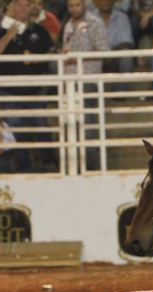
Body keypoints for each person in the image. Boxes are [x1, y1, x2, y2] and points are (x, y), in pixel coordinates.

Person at [0, 0, 56, 171]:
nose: (22, 9)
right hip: (10, 91)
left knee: (41, 127)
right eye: (18, 5)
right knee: (16, 129)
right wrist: (9, 35)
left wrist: (35, 57)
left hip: (35, 89)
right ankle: (22, 166)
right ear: (12, 8)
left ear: (32, 8)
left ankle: (49, 164)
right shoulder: (3, 31)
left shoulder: (39, 31)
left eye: (26, 6)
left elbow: (52, 53)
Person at [62, 0, 109, 170]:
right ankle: (75, 167)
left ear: (84, 5)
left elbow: (104, 50)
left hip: (88, 80)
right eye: (71, 5)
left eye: (77, 5)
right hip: (69, 82)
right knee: (71, 125)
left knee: (88, 126)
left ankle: (92, 167)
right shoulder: (68, 25)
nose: (74, 8)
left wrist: (78, 55)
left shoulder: (94, 23)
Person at [92, 0, 135, 77]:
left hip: (115, 56)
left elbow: (126, 43)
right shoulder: (89, 18)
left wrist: (109, 55)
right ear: (96, 2)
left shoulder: (122, 17)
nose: (106, 2)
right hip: (94, 57)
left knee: (126, 56)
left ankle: (120, 89)